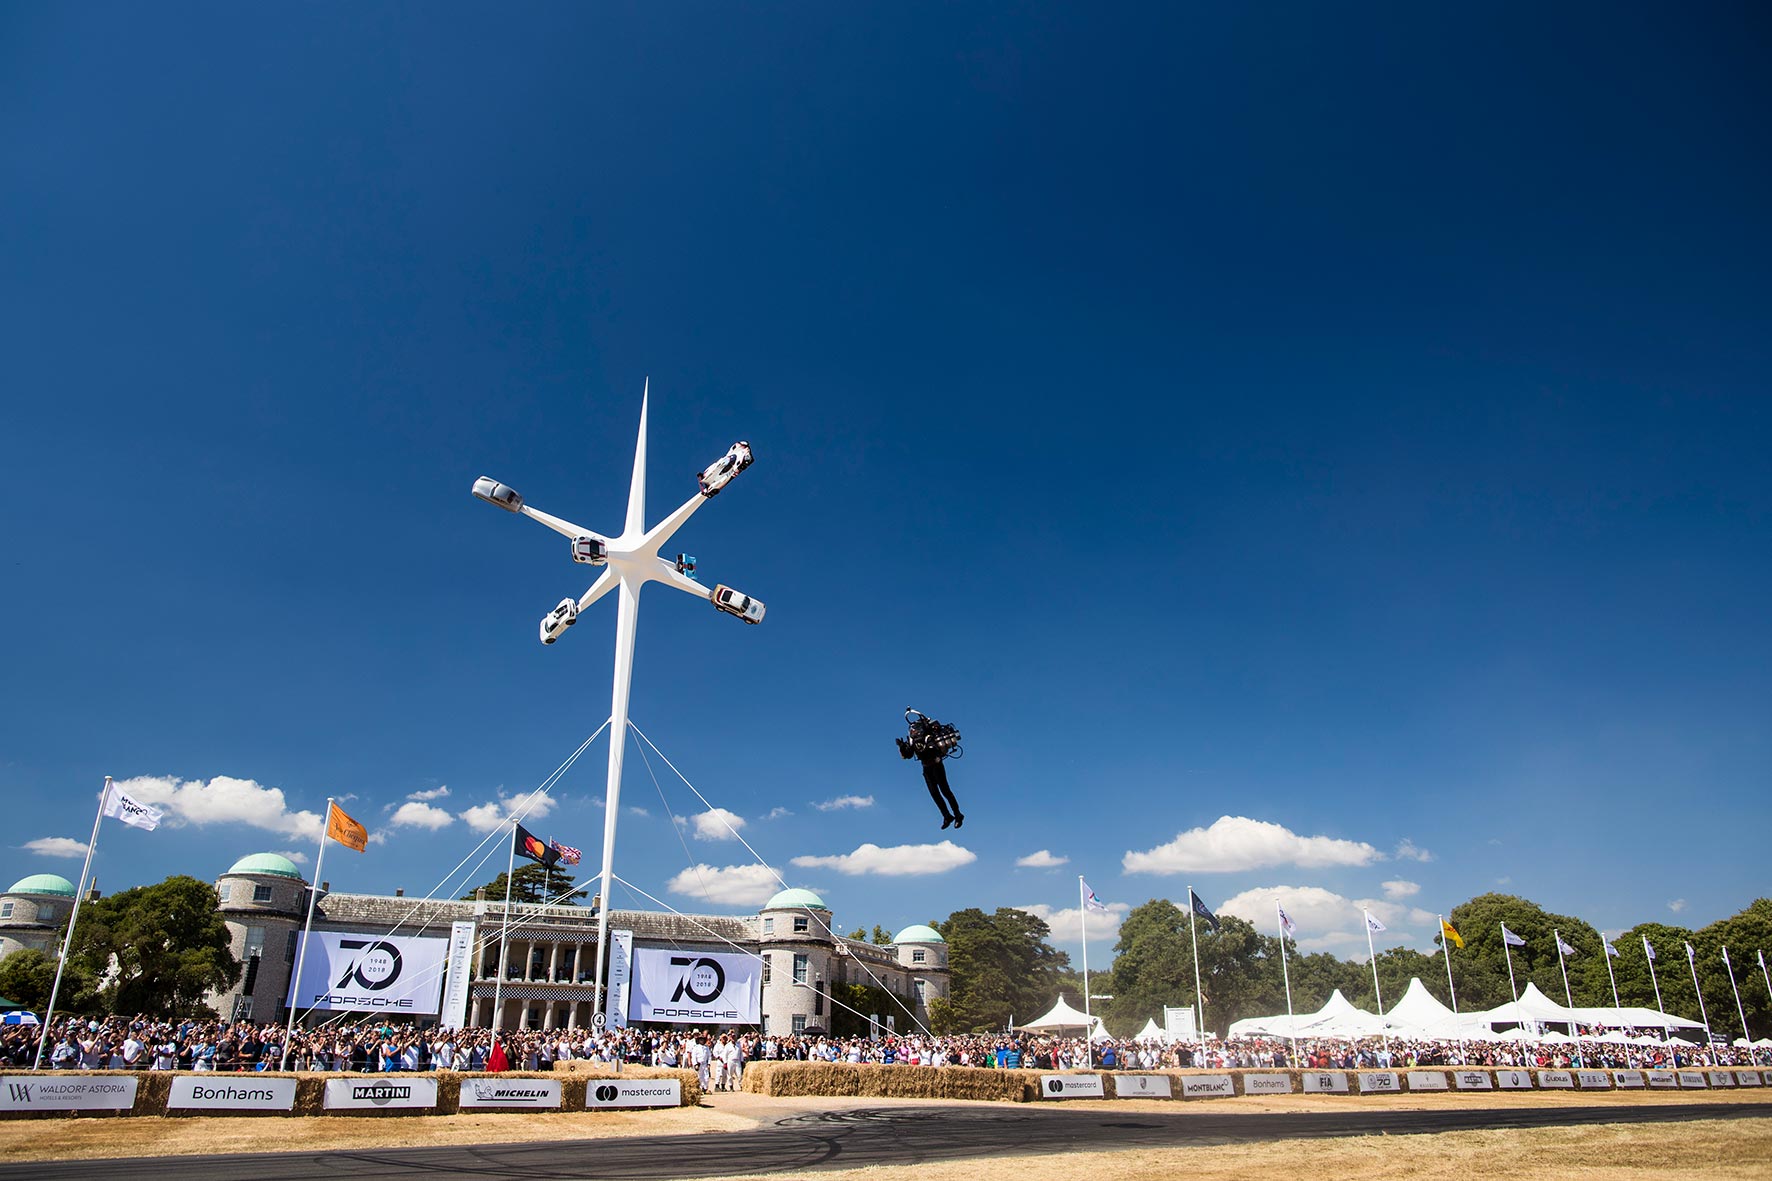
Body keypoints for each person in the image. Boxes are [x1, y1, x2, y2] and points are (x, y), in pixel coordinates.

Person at [897, 709, 963, 828]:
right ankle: (947, 816)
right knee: (934, 793)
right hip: (926, 768)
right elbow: (908, 755)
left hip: (936, 765)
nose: (914, 731)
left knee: (945, 791)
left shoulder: (928, 735)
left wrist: (931, 746)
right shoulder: (913, 739)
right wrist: (902, 747)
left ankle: (958, 815)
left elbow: (932, 749)